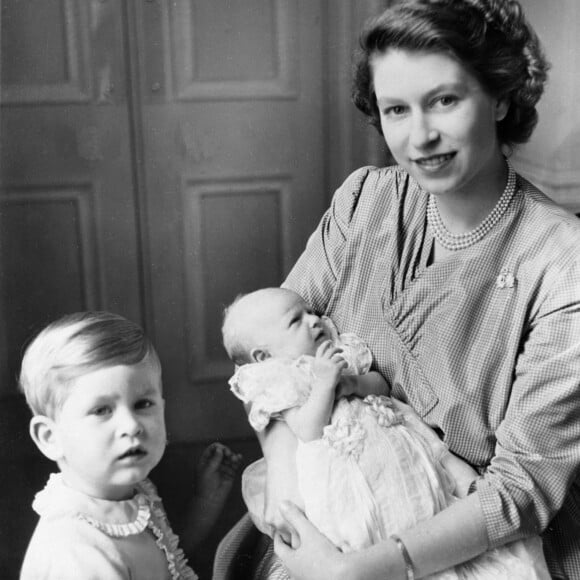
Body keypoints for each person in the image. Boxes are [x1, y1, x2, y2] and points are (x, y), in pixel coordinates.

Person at [249, 1, 580, 579]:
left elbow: (521, 492)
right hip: (337, 510)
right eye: (396, 109)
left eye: (445, 100)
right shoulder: (365, 201)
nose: (420, 136)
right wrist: (284, 481)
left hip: (477, 544)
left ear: (501, 97)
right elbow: (275, 361)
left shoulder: (560, 261)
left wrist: (362, 571)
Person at [222, 287, 549, 579]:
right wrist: (323, 383)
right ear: (264, 357)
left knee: (429, 502)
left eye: (312, 311)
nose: (315, 320)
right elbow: (308, 428)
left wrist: (352, 382)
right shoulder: (286, 379)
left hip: (396, 452)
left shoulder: (339, 351)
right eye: (297, 320)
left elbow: (380, 386)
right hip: (345, 478)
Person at [18, 311, 243, 580]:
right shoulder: (76, 553)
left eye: (143, 404)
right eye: (102, 410)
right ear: (50, 437)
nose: (132, 425)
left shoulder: (129, 492)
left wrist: (205, 503)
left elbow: (162, 562)